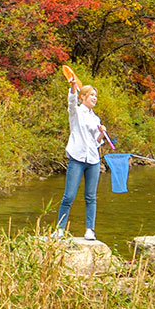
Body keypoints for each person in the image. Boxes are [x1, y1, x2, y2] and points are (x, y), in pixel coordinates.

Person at [55, 74, 108, 240]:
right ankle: (60, 229)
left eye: (96, 96)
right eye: (92, 95)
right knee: (69, 196)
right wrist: (72, 87)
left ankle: (90, 230)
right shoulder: (76, 112)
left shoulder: (96, 118)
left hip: (93, 160)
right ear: (83, 97)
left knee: (91, 197)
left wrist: (101, 134)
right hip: (77, 158)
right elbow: (71, 102)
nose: (95, 98)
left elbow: (96, 142)